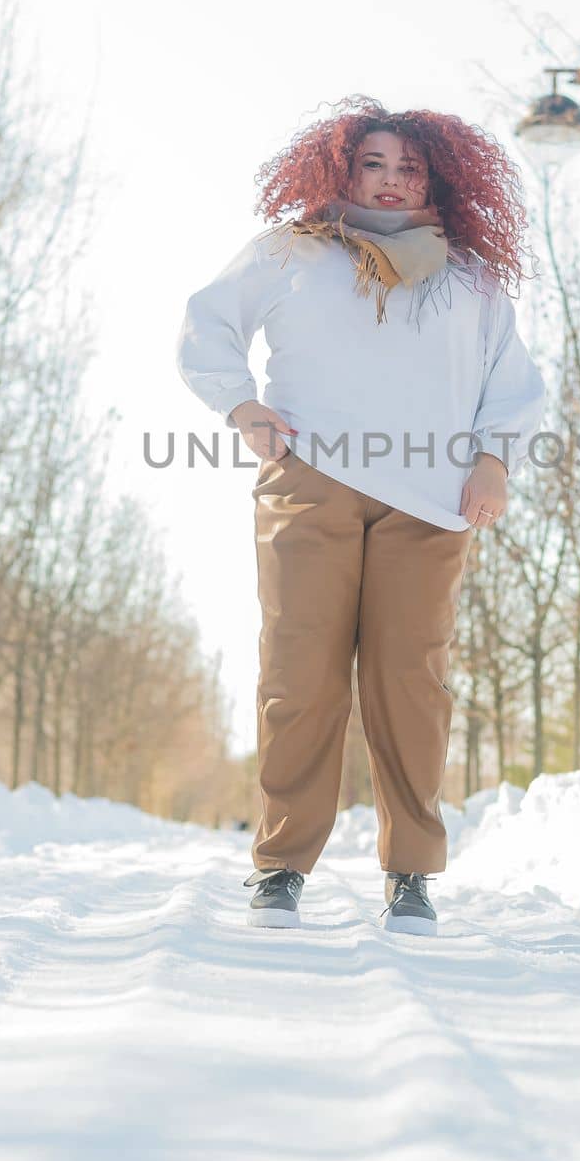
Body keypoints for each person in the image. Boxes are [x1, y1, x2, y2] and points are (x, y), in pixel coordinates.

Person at [176, 95, 546, 936]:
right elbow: (207, 324)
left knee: (410, 686)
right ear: (340, 167)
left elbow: (510, 383)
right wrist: (243, 409)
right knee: (299, 677)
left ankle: (410, 872)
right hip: (309, 484)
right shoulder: (289, 253)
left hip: (432, 502)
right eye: (372, 163)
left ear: (438, 177)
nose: (389, 180)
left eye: (408, 167)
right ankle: (279, 865)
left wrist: (493, 458)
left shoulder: (470, 278)